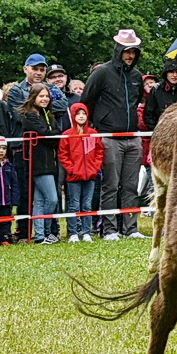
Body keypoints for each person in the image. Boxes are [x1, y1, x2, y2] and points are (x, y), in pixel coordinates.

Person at [81, 29, 146, 240]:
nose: (130, 56)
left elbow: (135, 103)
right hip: (108, 137)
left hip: (133, 137)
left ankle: (131, 229)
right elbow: (86, 101)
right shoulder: (101, 73)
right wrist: (97, 127)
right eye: (127, 51)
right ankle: (109, 229)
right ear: (118, 50)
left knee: (131, 186)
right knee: (110, 185)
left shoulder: (137, 76)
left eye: (134, 52)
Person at [18, 86, 66, 242]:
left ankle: (40, 236)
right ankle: (45, 231)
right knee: (52, 199)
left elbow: (56, 135)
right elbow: (45, 134)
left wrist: (54, 136)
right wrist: (55, 136)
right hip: (38, 163)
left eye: (47, 96)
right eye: (41, 96)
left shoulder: (48, 115)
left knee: (39, 201)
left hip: (50, 162)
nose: (45, 99)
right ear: (33, 97)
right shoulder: (30, 116)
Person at [58, 101, 103, 240]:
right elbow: (63, 154)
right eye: (78, 114)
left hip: (90, 176)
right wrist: (71, 169)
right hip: (73, 177)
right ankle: (73, 233)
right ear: (73, 116)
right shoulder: (67, 135)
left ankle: (86, 232)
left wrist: (95, 168)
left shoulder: (93, 134)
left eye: (84, 113)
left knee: (87, 205)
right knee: (74, 205)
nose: (82, 116)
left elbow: (99, 152)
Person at [141, 59, 177, 136]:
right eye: (171, 72)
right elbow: (148, 115)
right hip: (161, 135)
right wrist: (157, 131)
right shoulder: (156, 90)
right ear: (166, 73)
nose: (174, 75)